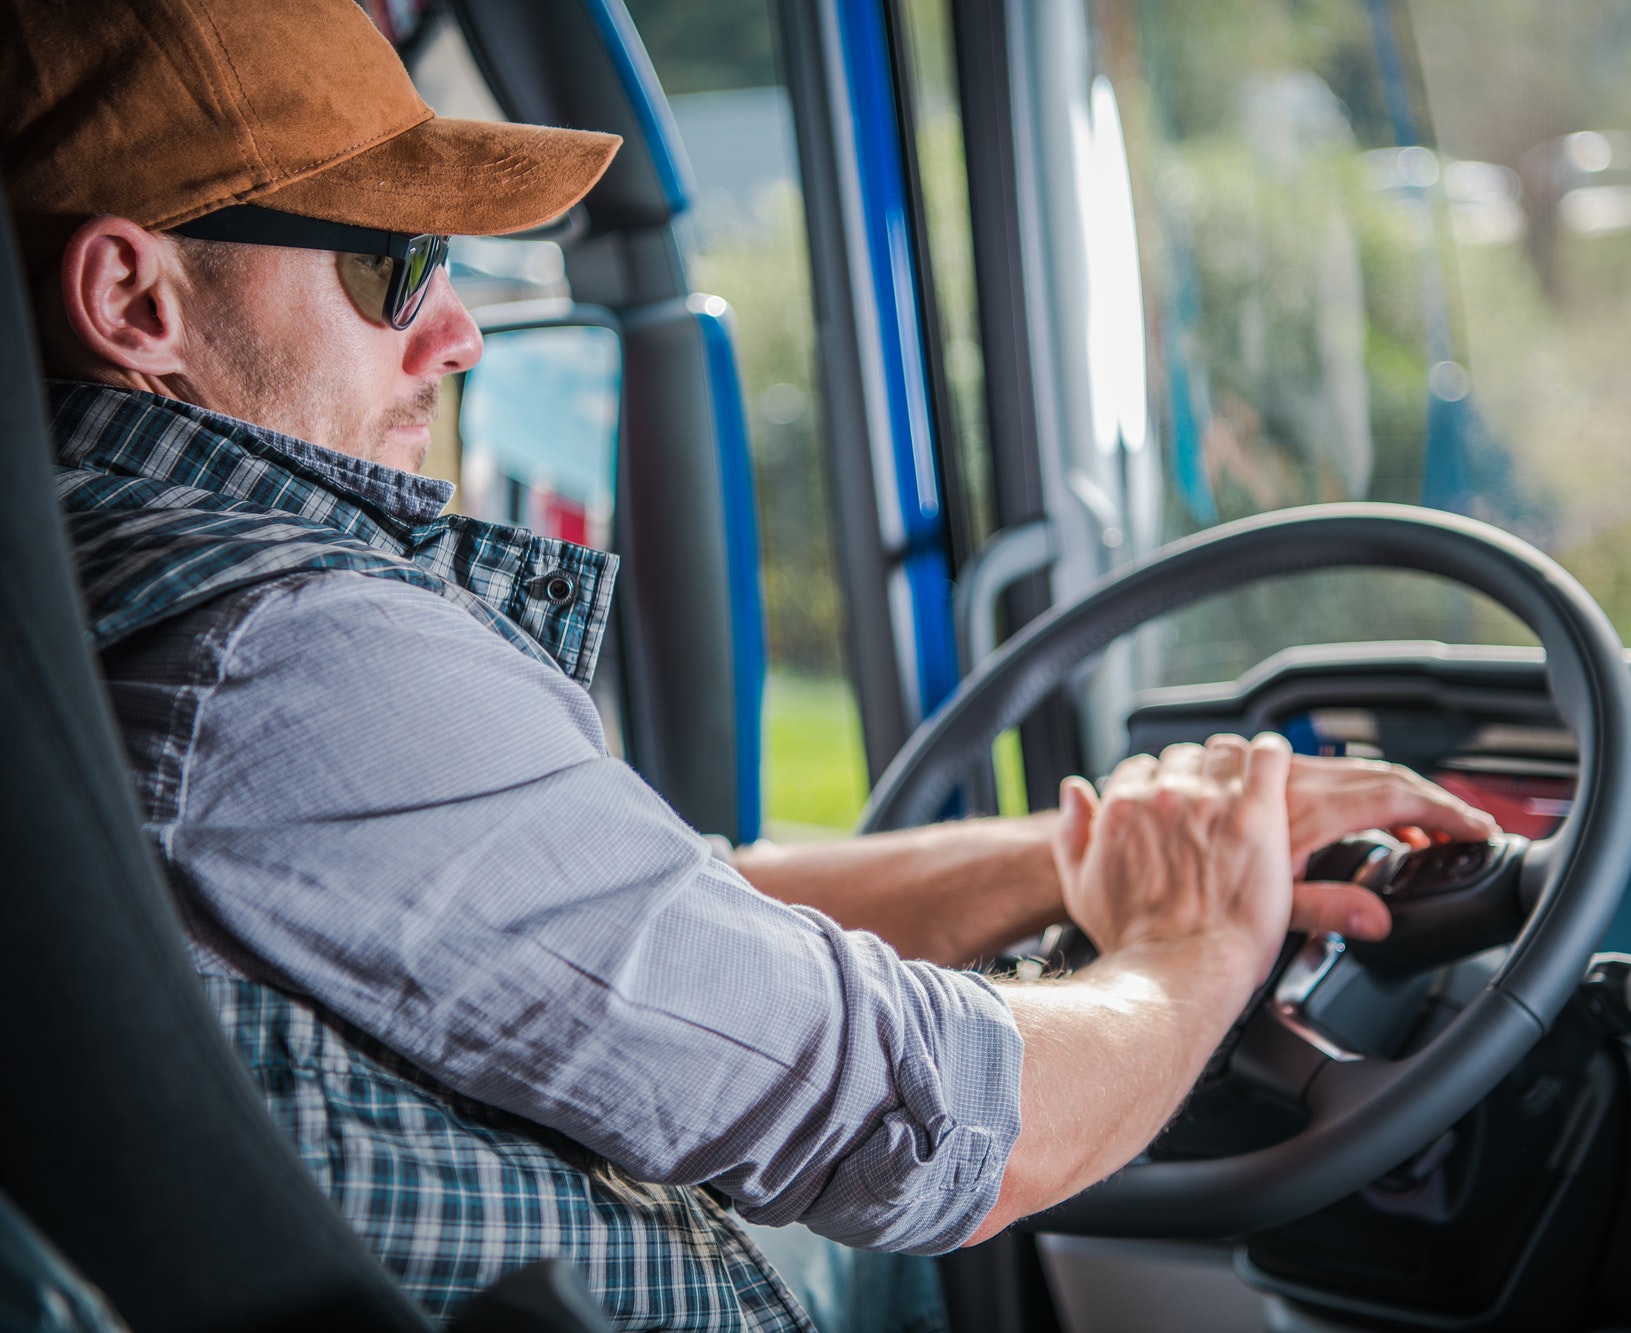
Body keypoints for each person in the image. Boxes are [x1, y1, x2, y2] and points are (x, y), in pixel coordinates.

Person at [2, 1, 1499, 1328]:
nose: (456, 332)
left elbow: (644, 910)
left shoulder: (77, 607)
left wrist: (1078, 851)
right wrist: (1199, 943)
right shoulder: (282, 651)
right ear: (137, 297)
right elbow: (936, 1128)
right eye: (397, 264)